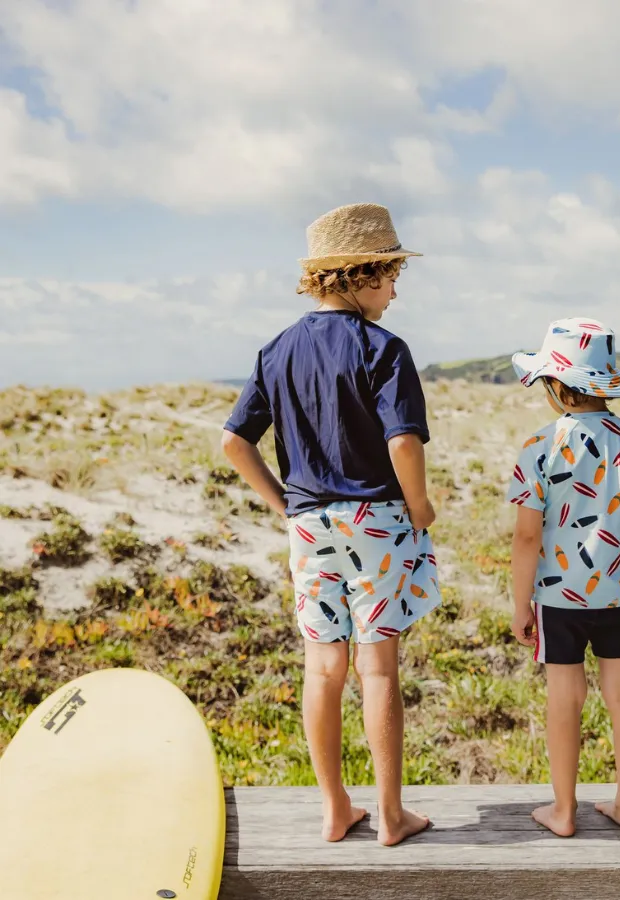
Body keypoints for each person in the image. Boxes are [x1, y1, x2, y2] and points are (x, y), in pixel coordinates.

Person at [221, 203, 440, 846]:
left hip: (311, 525)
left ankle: (335, 809)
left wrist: (284, 503)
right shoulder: (384, 349)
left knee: (322, 670)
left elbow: (235, 442)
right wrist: (420, 506)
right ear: (358, 274)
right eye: (391, 275)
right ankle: (392, 816)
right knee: (378, 671)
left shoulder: (276, 350)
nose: (396, 291)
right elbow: (403, 443)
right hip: (376, 518)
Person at [506, 317, 620, 837]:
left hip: (557, 597)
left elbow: (528, 539)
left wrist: (520, 605)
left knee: (564, 698)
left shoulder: (539, 447)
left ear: (554, 385)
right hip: (619, 592)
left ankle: (564, 811)